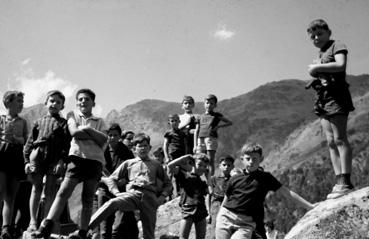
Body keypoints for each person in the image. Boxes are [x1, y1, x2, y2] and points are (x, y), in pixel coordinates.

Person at [33, 88, 108, 239]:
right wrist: (93, 135)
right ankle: (46, 226)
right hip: (76, 158)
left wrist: (86, 129)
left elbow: (103, 140)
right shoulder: (72, 115)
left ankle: (82, 231)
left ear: (93, 103)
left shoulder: (100, 121)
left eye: (86, 99)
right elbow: (74, 132)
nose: (83, 102)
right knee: (63, 192)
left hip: (95, 161)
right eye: (80, 99)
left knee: (87, 198)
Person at [215, 143, 314, 239]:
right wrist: (219, 216)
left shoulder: (266, 178)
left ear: (261, 159)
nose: (251, 162)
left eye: (255, 159)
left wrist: (310, 206)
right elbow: (226, 198)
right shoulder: (235, 178)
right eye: (248, 159)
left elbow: (287, 193)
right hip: (226, 217)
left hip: (246, 223)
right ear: (242, 160)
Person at [88, 133, 172, 239]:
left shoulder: (156, 164)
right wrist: (116, 193)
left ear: (150, 148)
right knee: (112, 203)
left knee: (149, 233)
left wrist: (161, 198)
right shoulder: (129, 163)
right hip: (133, 194)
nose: (143, 148)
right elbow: (112, 179)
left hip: (150, 197)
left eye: (145, 145)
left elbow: (168, 184)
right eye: (139, 146)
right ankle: (85, 229)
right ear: (134, 149)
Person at [307, 19, 355, 199]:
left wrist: (316, 67)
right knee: (330, 141)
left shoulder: (337, 45)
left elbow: (341, 65)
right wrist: (316, 76)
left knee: (340, 138)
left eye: (320, 33)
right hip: (323, 99)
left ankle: (346, 181)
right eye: (313, 36)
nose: (316, 38)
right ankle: (338, 181)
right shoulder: (321, 53)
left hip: (337, 97)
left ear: (329, 32)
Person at [23, 90, 70, 233]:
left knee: (50, 190)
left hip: (55, 158)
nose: (54, 104)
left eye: (58, 102)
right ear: (46, 103)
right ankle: (32, 221)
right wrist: (26, 161)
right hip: (37, 156)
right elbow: (29, 143)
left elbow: (66, 145)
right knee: (36, 188)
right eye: (52, 101)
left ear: (62, 106)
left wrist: (62, 160)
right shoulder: (38, 122)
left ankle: (45, 222)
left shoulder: (64, 124)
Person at [98, 123, 137, 239]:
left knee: (120, 226)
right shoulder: (101, 150)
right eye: (110, 135)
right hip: (104, 190)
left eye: (115, 135)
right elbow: (97, 170)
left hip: (121, 192)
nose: (112, 138)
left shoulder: (126, 152)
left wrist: (124, 180)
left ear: (120, 136)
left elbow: (132, 170)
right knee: (104, 228)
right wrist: (106, 181)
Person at [0, 91, 28, 239]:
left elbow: (25, 140)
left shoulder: (23, 122)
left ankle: (6, 228)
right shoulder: (1, 119)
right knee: (0, 190)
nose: (21, 104)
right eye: (18, 101)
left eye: (22, 101)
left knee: (11, 196)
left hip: (16, 156)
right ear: (8, 103)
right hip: (2, 154)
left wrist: (16, 138)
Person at [167, 154, 211, 239]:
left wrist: (208, 176)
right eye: (199, 165)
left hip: (201, 210)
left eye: (205, 166)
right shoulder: (184, 175)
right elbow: (170, 166)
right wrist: (185, 157)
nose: (202, 168)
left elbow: (210, 191)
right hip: (188, 209)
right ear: (192, 164)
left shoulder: (202, 182)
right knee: (183, 237)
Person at [194, 94, 233, 176]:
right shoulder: (200, 117)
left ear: (215, 105)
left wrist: (218, 126)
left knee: (210, 159)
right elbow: (196, 130)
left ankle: (210, 178)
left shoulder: (217, 115)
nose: (209, 105)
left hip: (211, 138)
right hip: (200, 139)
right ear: (204, 104)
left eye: (212, 103)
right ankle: (198, 177)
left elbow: (229, 122)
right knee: (199, 159)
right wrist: (195, 145)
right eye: (207, 103)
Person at [208, 155, 234, 239]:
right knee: (214, 229)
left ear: (232, 167)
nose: (226, 167)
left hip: (229, 207)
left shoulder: (234, 180)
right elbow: (208, 196)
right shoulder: (214, 179)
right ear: (219, 166)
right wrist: (208, 212)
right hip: (216, 206)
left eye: (229, 165)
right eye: (224, 165)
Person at [163, 114, 187, 197]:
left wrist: (186, 156)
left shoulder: (182, 133)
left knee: (181, 174)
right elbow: (165, 145)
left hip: (181, 157)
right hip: (172, 156)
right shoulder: (168, 133)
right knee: (170, 175)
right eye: (172, 121)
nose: (174, 122)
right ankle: (168, 194)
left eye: (176, 120)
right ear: (169, 123)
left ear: (179, 121)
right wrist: (166, 157)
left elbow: (185, 145)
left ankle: (180, 194)